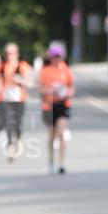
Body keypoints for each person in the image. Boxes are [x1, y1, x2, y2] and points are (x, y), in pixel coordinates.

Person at [38, 44, 74, 174]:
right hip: (49, 105)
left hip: (63, 104)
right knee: (52, 135)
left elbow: (71, 88)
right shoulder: (45, 71)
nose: (56, 59)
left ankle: (62, 163)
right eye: (54, 56)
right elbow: (40, 89)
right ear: (50, 57)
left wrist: (66, 92)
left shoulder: (66, 70)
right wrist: (51, 91)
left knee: (61, 133)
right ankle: (51, 161)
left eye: (58, 56)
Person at [0, 43, 33, 162]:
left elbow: (30, 83)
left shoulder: (23, 66)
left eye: (12, 53)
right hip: (6, 99)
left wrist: (20, 80)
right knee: (8, 124)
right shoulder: (2, 66)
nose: (9, 56)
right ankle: (10, 148)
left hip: (20, 99)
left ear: (17, 54)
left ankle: (18, 138)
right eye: (7, 53)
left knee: (17, 125)